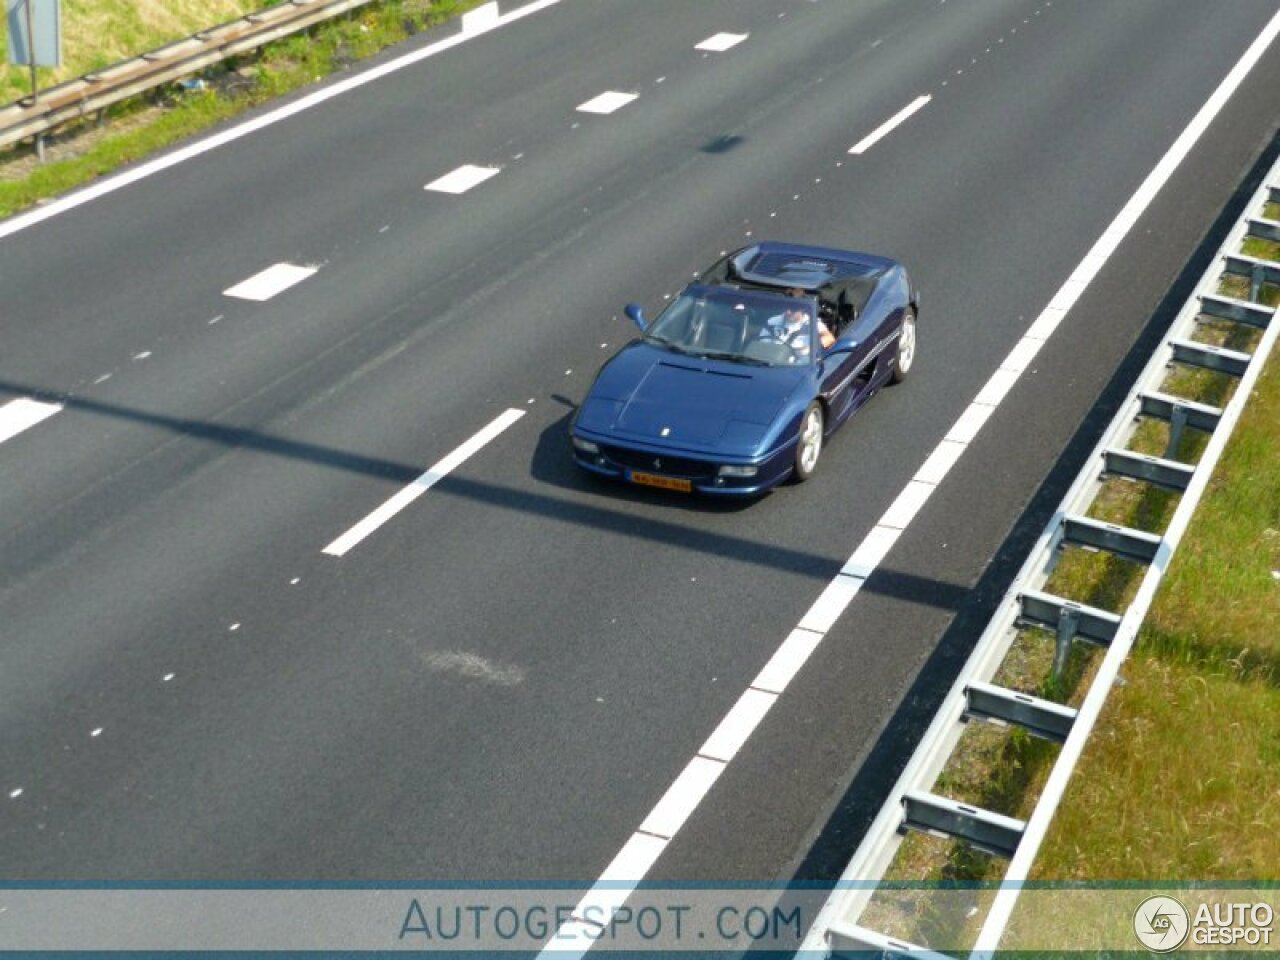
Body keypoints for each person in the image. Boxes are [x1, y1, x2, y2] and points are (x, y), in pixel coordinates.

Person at [760, 289, 834, 360]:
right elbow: (762, 346)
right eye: (786, 307)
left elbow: (829, 338)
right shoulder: (772, 322)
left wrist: (809, 349)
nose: (788, 312)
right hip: (773, 361)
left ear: (802, 308)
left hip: (799, 366)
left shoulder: (812, 323)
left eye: (793, 309)